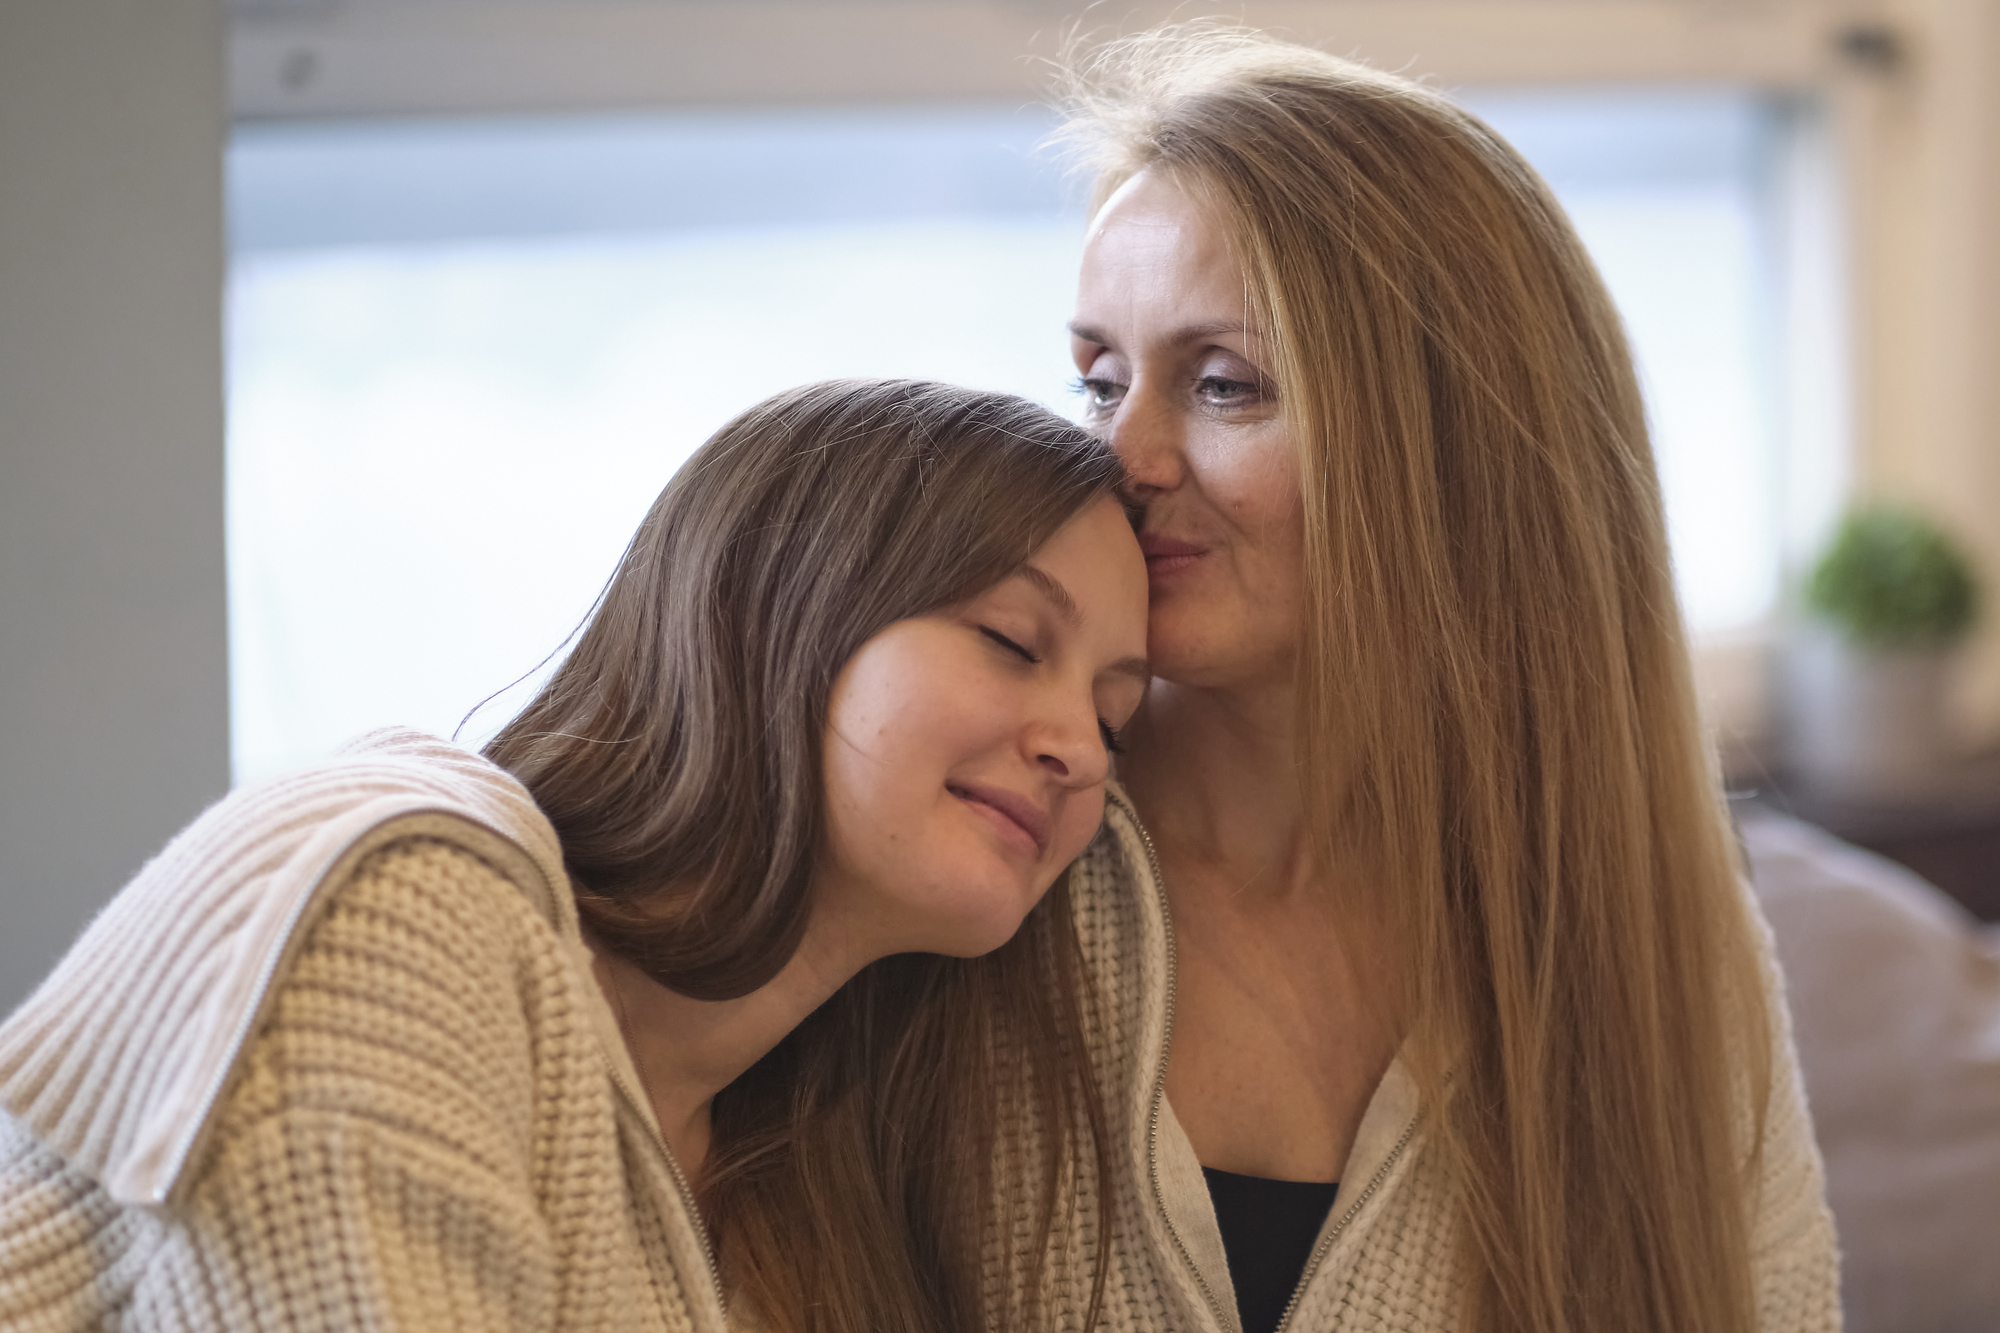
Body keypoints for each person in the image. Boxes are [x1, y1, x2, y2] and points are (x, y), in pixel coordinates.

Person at [0, 379, 1147, 1333]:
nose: (1077, 753)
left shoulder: (797, 1168)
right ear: (776, 613)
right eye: (1010, 641)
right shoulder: (403, 899)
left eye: (1113, 714)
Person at [1008, 26, 1843, 1333]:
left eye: (1224, 385)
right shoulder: (993, 855)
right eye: (1096, 381)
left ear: (1457, 454)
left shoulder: (1655, 930)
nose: (1124, 454)